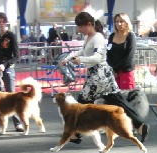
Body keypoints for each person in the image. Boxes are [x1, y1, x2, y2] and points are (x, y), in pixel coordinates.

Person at [61, 12, 149, 143]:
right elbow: (83, 51)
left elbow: (96, 58)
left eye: (80, 27)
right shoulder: (90, 37)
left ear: (89, 24)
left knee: (80, 104)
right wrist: (68, 58)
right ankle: (141, 125)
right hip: (104, 76)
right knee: (119, 101)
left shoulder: (98, 38)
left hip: (98, 77)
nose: (78, 30)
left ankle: (75, 133)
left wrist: (81, 60)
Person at [0, 12, 23, 133]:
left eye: (2, 21)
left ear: (6, 22)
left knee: (12, 95)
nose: (1, 24)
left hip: (7, 67)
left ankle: (17, 123)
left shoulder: (11, 36)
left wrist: (5, 64)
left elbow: (17, 56)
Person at [107, 13, 136, 90]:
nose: (119, 24)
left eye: (121, 21)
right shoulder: (111, 36)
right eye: (116, 21)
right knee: (114, 96)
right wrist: (112, 68)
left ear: (126, 23)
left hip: (126, 71)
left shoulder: (130, 36)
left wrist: (116, 68)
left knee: (127, 96)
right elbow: (108, 53)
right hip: (113, 72)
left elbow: (129, 56)